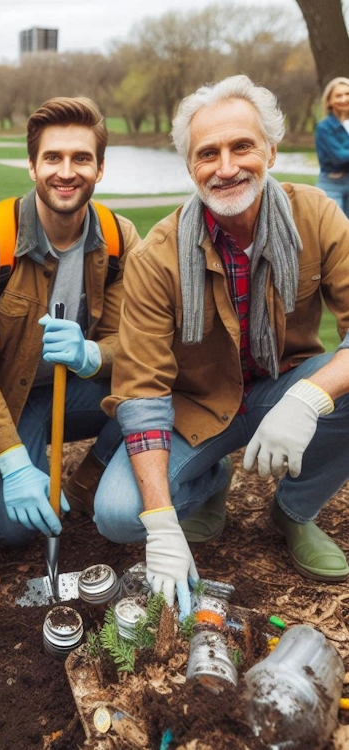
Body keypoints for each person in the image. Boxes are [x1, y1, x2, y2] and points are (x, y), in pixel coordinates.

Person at [98, 75, 349, 616]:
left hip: (285, 383)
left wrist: (309, 399)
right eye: (207, 153)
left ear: (273, 152)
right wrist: (161, 524)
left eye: (242, 146)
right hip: (198, 406)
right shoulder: (157, 256)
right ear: (191, 168)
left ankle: (295, 511)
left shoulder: (320, 216)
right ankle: (209, 480)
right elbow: (141, 392)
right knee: (118, 515)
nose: (227, 166)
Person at [0, 97, 141, 546]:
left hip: (72, 389)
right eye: (52, 157)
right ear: (32, 167)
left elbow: (133, 345)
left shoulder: (118, 240)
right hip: (2, 402)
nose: (67, 171)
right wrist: (14, 462)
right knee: (17, 531)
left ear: (100, 168)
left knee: (149, 385)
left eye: (81, 158)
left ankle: (89, 479)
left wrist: (92, 354)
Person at [315, 76, 349, 216]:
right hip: (332, 183)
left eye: (347, 94)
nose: (344, 99)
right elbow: (339, 157)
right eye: (338, 96)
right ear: (329, 101)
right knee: (334, 229)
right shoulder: (324, 127)